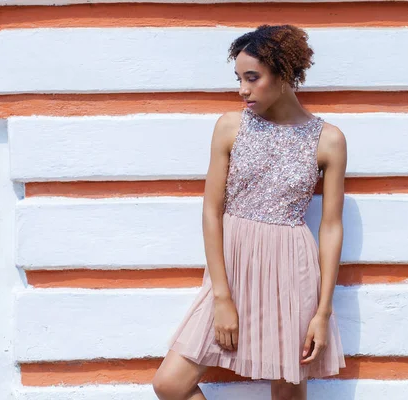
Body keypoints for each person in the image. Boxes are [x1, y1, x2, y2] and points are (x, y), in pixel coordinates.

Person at [153, 24, 347, 400]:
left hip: (293, 272)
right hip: (234, 268)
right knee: (170, 384)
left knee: (288, 393)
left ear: (284, 74)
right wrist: (222, 296)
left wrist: (322, 313)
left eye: (252, 78)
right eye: (239, 78)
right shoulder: (230, 127)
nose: (242, 89)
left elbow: (331, 227)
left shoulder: (330, 140)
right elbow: (211, 212)